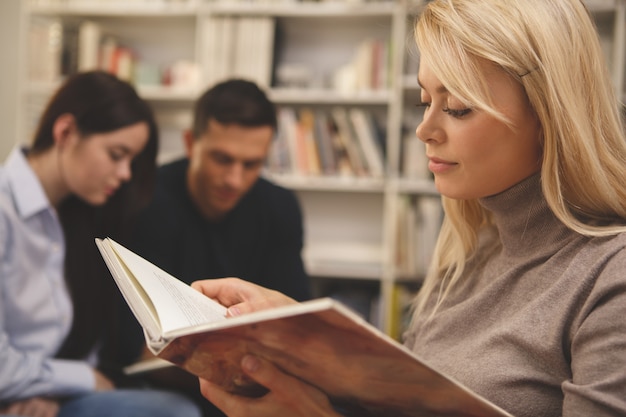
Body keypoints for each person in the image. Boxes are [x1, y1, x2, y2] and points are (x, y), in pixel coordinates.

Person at [187, 0, 626, 416]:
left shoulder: (610, 278)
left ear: (550, 112)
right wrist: (302, 339)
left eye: (457, 108)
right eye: (424, 101)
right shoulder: (471, 253)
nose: (424, 129)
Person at [0, 71, 202, 417]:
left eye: (131, 161)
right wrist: (83, 379)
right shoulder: (7, 213)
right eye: (116, 154)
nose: (125, 174)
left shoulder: (77, 214)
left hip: (47, 395)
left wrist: (54, 389)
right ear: (65, 132)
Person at [119, 78, 311, 415]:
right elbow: (127, 336)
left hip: (256, 386)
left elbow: (295, 324)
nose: (234, 179)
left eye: (251, 164)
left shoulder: (280, 208)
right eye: (221, 159)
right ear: (191, 143)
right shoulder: (146, 200)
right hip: (164, 391)